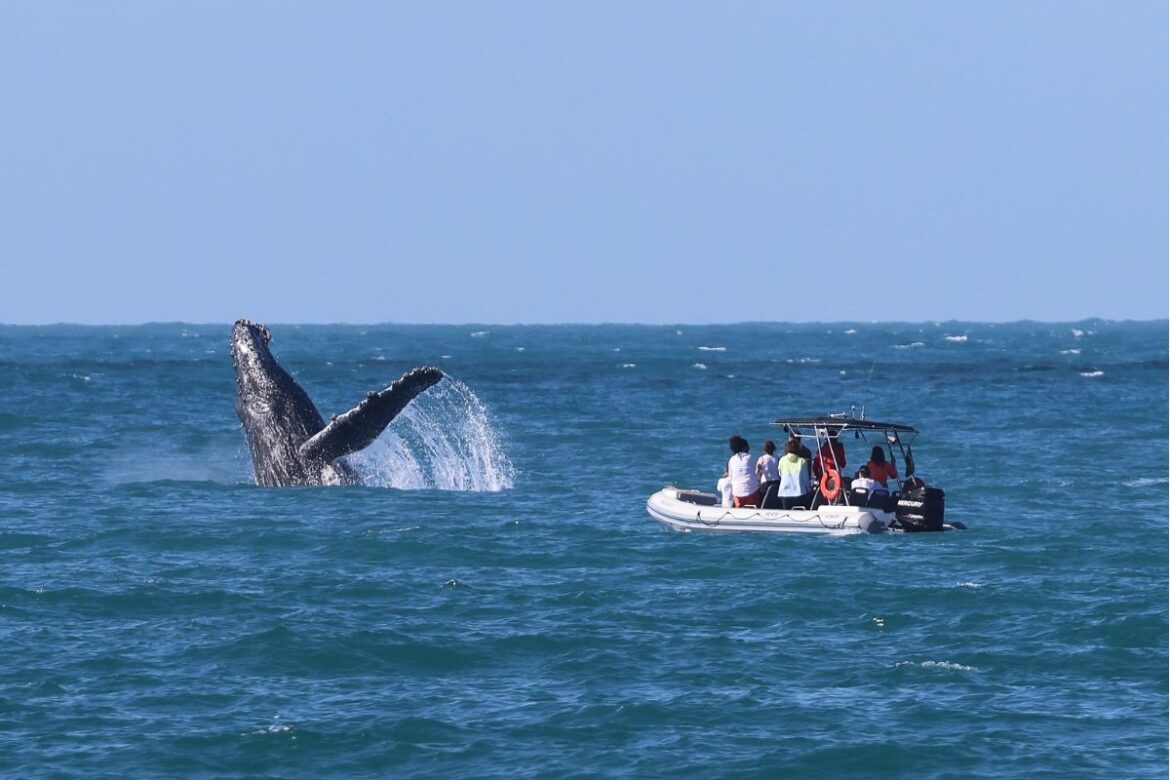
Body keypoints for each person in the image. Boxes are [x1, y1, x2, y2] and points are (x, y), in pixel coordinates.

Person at [777, 437, 814, 509]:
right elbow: (806, 480)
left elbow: (780, 475)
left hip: (784, 494)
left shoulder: (782, 460)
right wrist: (809, 491)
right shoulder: (802, 461)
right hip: (799, 493)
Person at [726, 435, 760, 507]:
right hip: (752, 492)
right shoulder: (752, 457)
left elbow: (730, 476)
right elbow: (758, 472)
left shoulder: (732, 460)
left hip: (737, 492)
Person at [756, 440, 781, 507]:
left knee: (762, 500)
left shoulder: (762, 458)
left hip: (765, 484)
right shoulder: (777, 458)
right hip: (776, 482)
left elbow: (757, 472)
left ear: (764, 449)